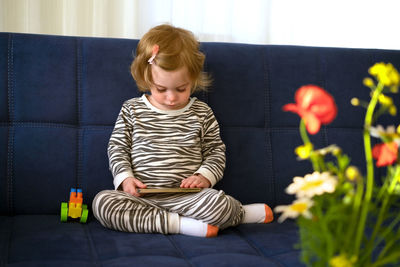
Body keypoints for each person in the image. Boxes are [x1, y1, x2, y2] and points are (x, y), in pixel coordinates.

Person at [92, 24, 273, 237]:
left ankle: (241, 213)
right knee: (103, 203)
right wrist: (125, 178)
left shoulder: (201, 112)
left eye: (181, 89)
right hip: (141, 197)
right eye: (161, 89)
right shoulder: (132, 109)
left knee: (217, 204)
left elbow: (215, 151)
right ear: (146, 76)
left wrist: (203, 176)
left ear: (193, 80)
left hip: (188, 197)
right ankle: (180, 225)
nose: (171, 98)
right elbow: (118, 148)